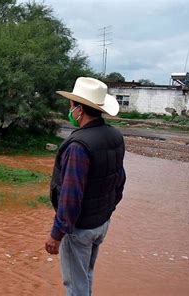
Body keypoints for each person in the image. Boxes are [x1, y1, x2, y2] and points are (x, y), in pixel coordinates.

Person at [45, 77, 126, 295]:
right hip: (101, 223)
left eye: (71, 106)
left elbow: (70, 196)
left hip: (80, 228)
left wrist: (56, 234)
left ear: (79, 109)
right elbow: (119, 181)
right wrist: (106, 212)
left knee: (75, 285)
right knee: (86, 274)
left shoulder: (79, 146)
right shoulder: (115, 136)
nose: (69, 110)